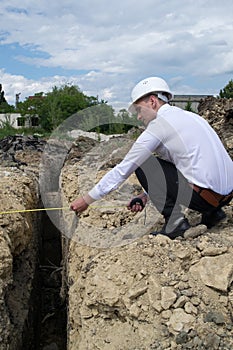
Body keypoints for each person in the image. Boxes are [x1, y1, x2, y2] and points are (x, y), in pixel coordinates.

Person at [70, 77, 233, 239]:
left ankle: (175, 224)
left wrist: (86, 200)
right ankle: (213, 214)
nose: (139, 117)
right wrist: (145, 196)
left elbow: (123, 169)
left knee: (142, 164)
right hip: (225, 196)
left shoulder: (159, 126)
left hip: (205, 198)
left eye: (139, 110)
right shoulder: (191, 117)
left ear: (153, 101)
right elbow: (177, 168)